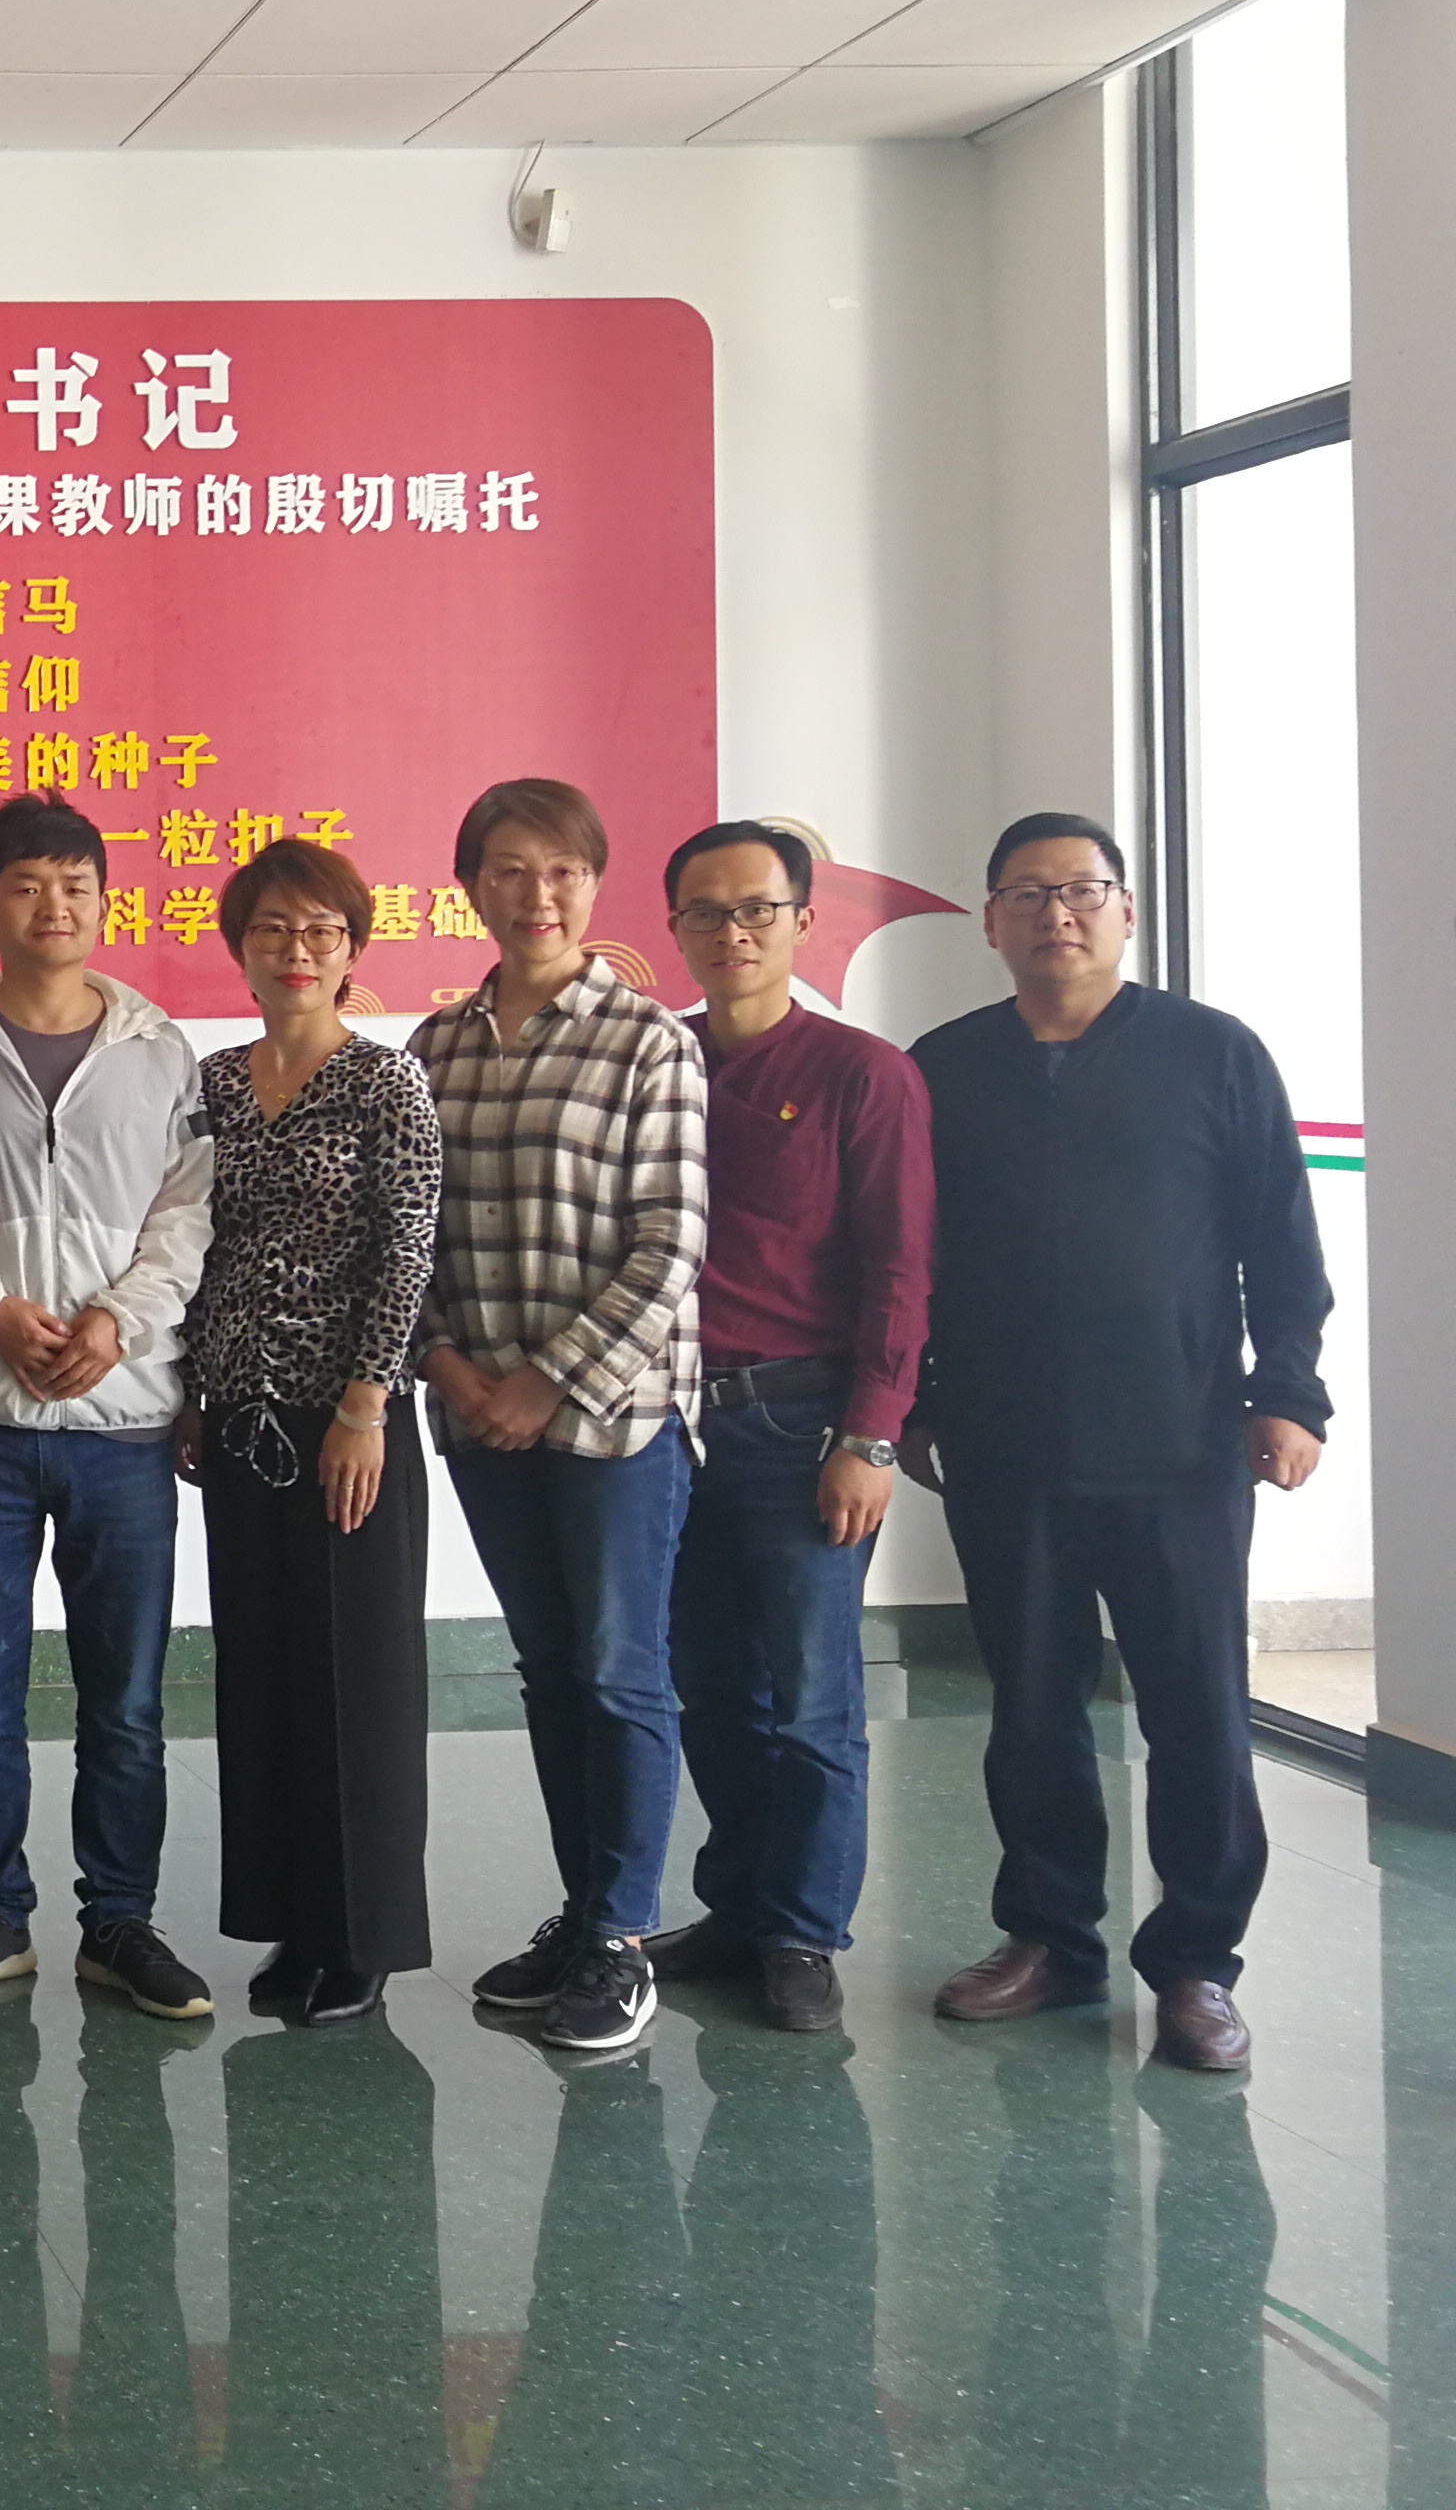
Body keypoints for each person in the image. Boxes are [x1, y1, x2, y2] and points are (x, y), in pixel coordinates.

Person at [907, 814, 1331, 2073]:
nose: (1056, 914)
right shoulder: (941, 1068)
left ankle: (1196, 1963)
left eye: (1081, 890)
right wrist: (914, 1401)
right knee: (1030, 1707)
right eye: (1026, 894)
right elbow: (906, 1258)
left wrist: (1287, 1395)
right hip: (1005, 1448)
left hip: (1180, 1445)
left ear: (1125, 911)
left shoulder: (1212, 1053)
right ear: (989, 920)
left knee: (1195, 1710)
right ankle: (1048, 1939)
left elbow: (1280, 1242)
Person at [404, 777, 708, 2056]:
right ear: (469, 886)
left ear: (593, 884)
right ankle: (582, 1911)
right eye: (510, 871)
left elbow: (668, 1242)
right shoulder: (433, 1049)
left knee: (616, 1668)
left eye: (562, 872)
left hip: (613, 1421)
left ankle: (622, 1937)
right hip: (478, 1417)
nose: (537, 895)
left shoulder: (647, 1042)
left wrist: (549, 1379)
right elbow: (405, 1236)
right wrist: (444, 1364)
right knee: (547, 1669)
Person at [0, 794, 215, 2018]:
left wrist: (113, 1324)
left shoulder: (157, 1048)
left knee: (123, 1704)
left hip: (121, 1431)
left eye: (75, 885)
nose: (53, 906)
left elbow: (184, 1215)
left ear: (102, 902)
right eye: (26, 885)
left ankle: (118, 1922)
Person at [650, 821, 934, 2034]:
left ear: (800, 922)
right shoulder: (657, 1062)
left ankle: (803, 1933)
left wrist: (870, 1434)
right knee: (707, 1686)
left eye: (754, 909)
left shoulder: (860, 1074)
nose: (730, 933)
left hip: (800, 1423)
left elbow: (899, 1266)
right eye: (704, 912)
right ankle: (739, 1907)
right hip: (663, 1422)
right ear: (673, 928)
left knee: (810, 1696)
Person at [180, 837, 444, 2029]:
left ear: (351, 951)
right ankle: (293, 1919)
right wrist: (190, 1393)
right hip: (238, 1426)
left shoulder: (385, 1082)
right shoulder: (212, 1084)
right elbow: (192, 1246)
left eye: (320, 931)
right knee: (265, 1676)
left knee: (357, 1682)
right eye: (272, 930)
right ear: (239, 950)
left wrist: (364, 1405)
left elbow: (406, 1250)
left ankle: (361, 1936)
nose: (296, 950)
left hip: (348, 1427)